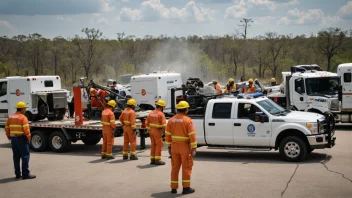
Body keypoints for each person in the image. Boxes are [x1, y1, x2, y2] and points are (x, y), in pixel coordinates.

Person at [165, 101, 197, 195]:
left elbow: (167, 135)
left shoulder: (171, 120)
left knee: (175, 168)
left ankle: (173, 188)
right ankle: (186, 188)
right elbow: (192, 135)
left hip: (174, 147)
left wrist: (169, 146)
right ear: (186, 109)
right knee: (186, 167)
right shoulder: (188, 120)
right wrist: (194, 147)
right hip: (184, 147)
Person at [5, 102, 36, 180]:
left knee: (16, 157)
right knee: (25, 156)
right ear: (22, 109)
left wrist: (9, 136)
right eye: (25, 108)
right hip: (21, 139)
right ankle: (25, 174)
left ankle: (18, 174)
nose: (25, 110)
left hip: (14, 140)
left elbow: (7, 128)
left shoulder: (10, 117)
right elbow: (26, 129)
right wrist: (29, 138)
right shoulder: (23, 117)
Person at [145, 100, 167, 165]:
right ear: (161, 107)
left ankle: (152, 159)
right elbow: (164, 125)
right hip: (157, 131)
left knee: (153, 145)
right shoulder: (161, 114)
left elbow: (146, 123)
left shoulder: (151, 113)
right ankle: (157, 160)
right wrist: (164, 133)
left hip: (151, 131)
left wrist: (149, 130)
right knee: (158, 145)